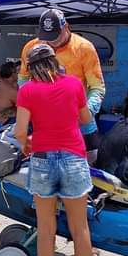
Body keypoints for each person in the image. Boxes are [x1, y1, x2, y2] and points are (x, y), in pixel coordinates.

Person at [14, 44, 101, 256]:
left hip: (42, 159)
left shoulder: (27, 90)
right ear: (54, 61)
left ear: (30, 67)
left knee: (46, 230)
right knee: (80, 228)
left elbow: (19, 131)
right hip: (73, 157)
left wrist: (27, 144)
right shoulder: (74, 84)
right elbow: (85, 118)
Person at [19, 9, 104, 161]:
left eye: (55, 36)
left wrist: (86, 112)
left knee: (90, 163)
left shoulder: (84, 48)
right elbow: (23, 80)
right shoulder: (32, 48)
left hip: (81, 125)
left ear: (66, 27)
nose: (51, 41)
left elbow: (97, 87)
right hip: (43, 125)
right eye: (46, 36)